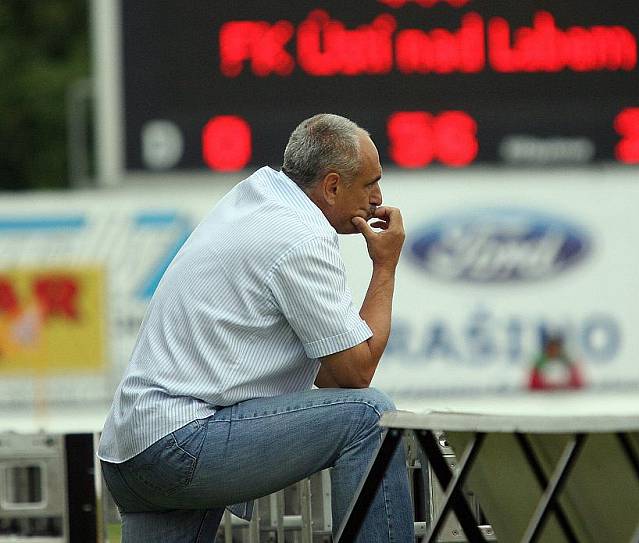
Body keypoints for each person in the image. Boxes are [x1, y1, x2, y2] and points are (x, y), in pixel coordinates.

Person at [98, 114, 414, 542]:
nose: (378, 199)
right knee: (371, 416)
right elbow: (356, 374)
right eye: (370, 183)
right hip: (180, 441)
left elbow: (329, 370)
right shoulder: (301, 236)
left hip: (129, 450)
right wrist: (386, 266)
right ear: (333, 186)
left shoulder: (255, 197)